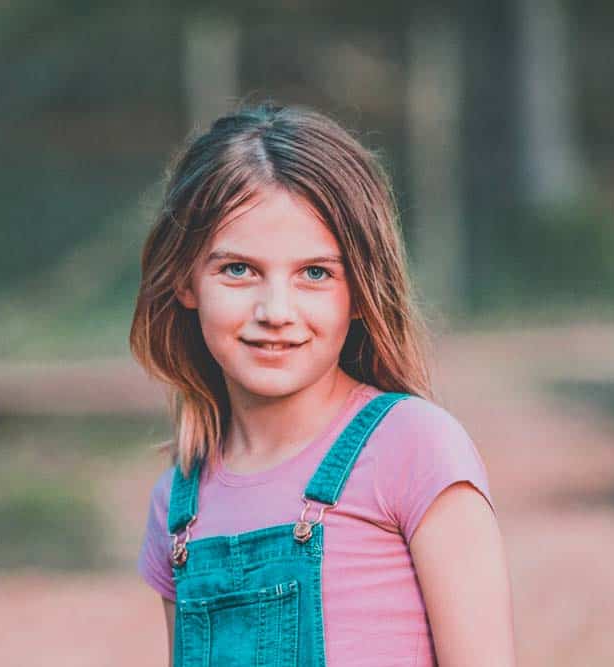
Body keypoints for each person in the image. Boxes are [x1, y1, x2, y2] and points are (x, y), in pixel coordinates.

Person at [130, 102, 515, 666]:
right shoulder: (177, 505)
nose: (275, 310)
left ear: (359, 290)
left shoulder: (413, 448)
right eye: (238, 269)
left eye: (315, 273)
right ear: (185, 280)